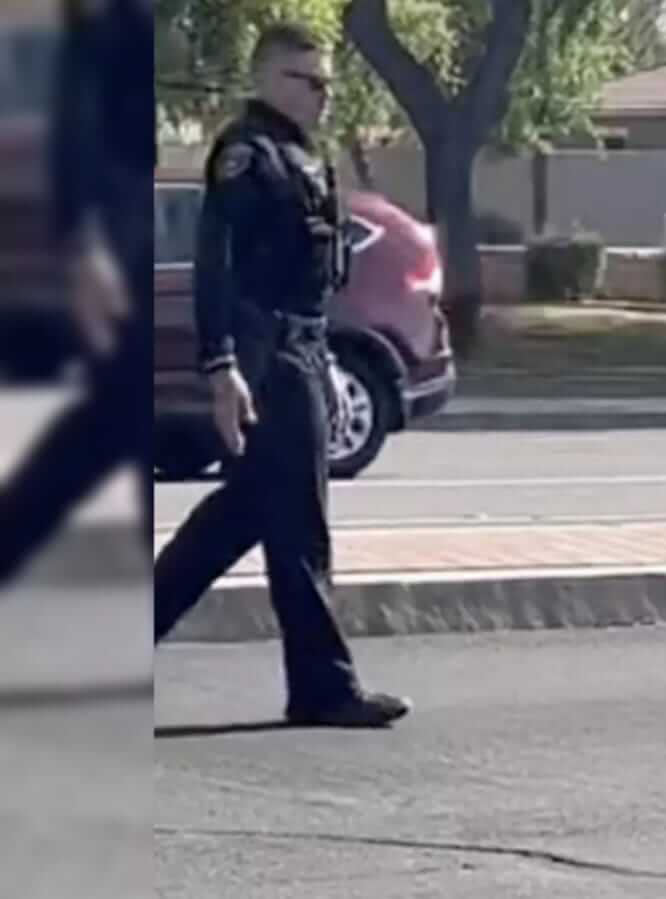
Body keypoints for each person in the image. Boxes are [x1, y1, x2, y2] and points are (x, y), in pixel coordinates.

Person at [152, 23, 409, 727]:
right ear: (266, 78)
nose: (322, 95)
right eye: (306, 80)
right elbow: (217, 264)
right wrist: (222, 364)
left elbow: (312, 283)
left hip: (300, 348)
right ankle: (323, 686)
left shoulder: (303, 157)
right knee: (298, 521)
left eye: (328, 82)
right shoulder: (248, 155)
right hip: (265, 354)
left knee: (241, 518)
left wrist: (323, 359)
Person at [0, 0, 153, 585]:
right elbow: (80, 109)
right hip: (121, 238)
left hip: (126, 234)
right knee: (104, 430)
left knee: (108, 430)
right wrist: (86, 242)